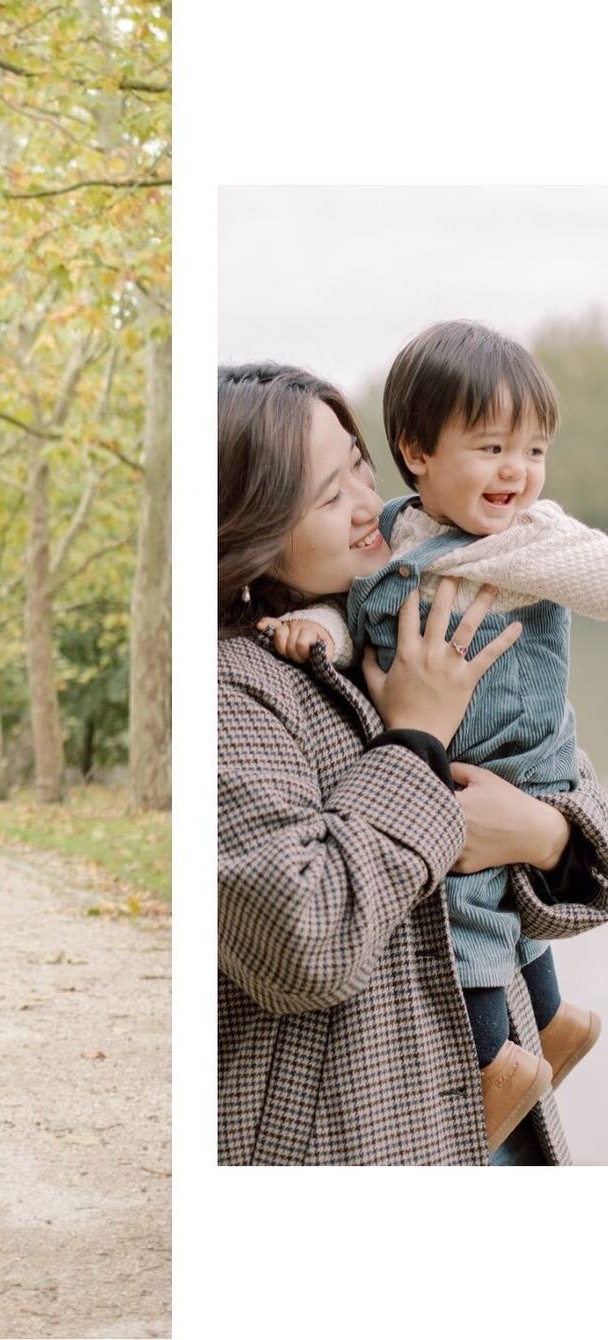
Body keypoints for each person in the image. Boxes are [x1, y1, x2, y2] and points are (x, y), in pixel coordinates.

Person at [217, 363, 608, 1165]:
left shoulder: (417, 598)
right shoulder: (231, 686)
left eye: (359, 465)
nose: (371, 503)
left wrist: (540, 834)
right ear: (244, 525)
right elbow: (302, 942)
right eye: (329, 495)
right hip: (361, 1142)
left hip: (491, 1122)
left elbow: (577, 806)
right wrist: (415, 735)